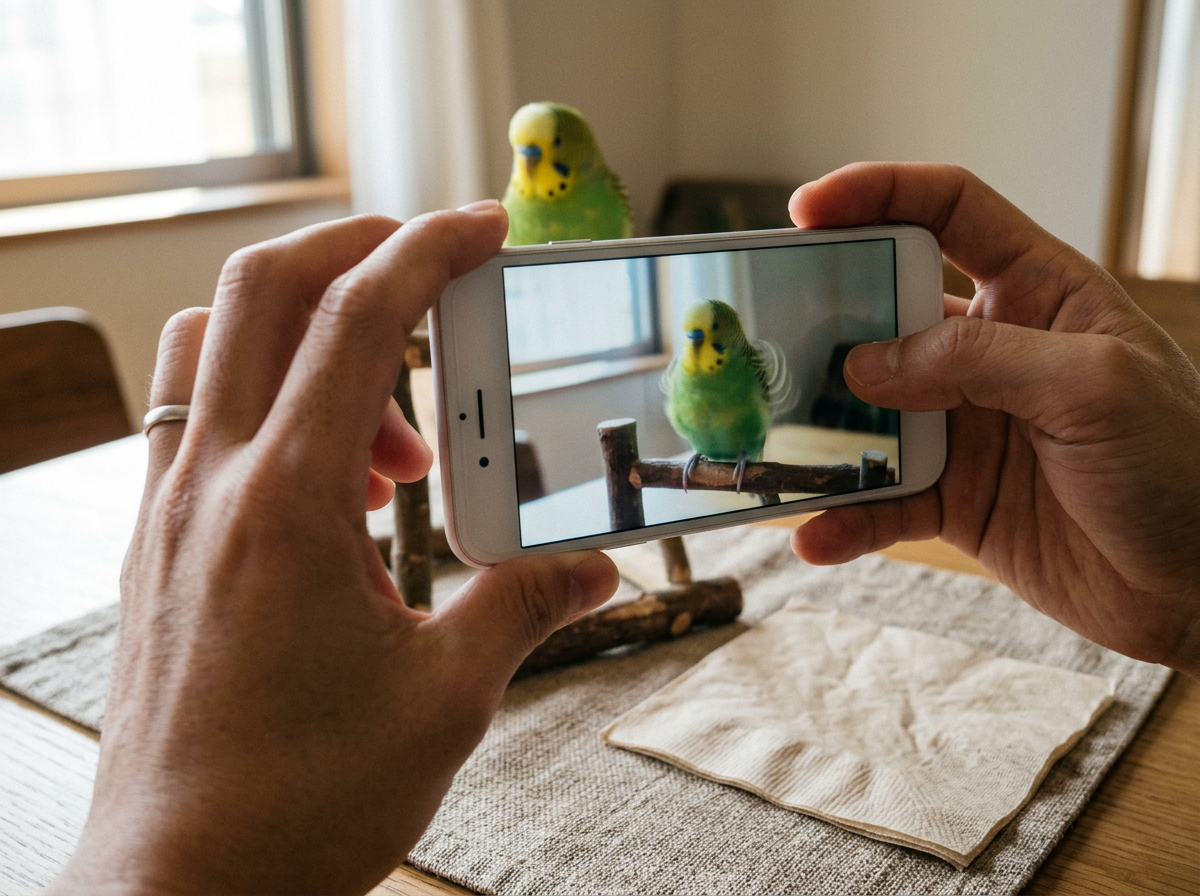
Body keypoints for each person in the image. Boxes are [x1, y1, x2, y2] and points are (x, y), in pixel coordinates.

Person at [48, 163, 1200, 895]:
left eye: (712, 347)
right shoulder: (680, 380)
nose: (707, 360)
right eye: (700, 347)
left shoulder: (747, 368)